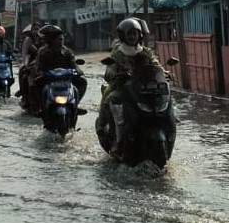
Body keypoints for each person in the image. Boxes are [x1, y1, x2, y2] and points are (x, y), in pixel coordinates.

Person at [97, 18, 162, 154]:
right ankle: (117, 133)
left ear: (139, 35)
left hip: (144, 89)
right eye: (129, 34)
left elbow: (155, 64)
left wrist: (164, 72)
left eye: (135, 33)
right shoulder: (118, 52)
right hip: (122, 87)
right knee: (111, 99)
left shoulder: (145, 51)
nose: (132, 37)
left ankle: (167, 123)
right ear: (123, 36)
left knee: (163, 99)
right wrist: (113, 73)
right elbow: (110, 68)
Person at [31, 24, 87, 113]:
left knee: (82, 82)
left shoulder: (68, 52)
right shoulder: (42, 52)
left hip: (66, 81)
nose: (61, 42)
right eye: (58, 40)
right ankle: (42, 107)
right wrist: (40, 73)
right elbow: (38, 67)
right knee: (36, 84)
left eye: (62, 40)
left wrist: (79, 71)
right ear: (51, 41)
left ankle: (75, 105)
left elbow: (74, 64)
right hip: (49, 81)